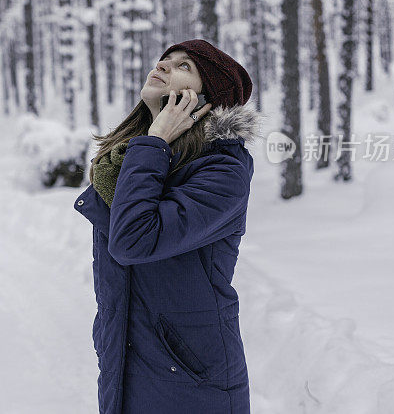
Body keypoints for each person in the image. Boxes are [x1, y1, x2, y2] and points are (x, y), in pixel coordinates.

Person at [74, 39, 263, 414]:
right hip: (126, 363)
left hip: (191, 378)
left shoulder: (223, 171)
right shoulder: (135, 158)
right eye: (164, 59)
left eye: (183, 66)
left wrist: (155, 140)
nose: (161, 65)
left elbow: (134, 241)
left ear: (206, 98)